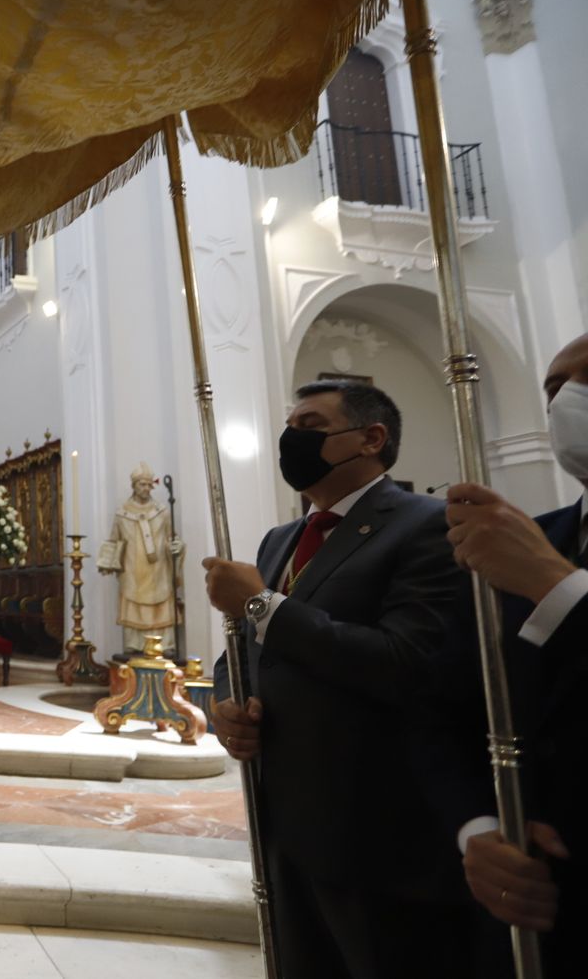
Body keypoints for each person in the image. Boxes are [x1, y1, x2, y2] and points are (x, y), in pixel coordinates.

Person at [205, 380, 474, 979]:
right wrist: (227, 706)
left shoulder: (426, 525)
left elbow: (404, 661)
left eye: (309, 425)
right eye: (289, 426)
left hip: (374, 826)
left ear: (371, 438)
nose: (290, 439)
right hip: (283, 815)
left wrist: (260, 606)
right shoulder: (281, 539)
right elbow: (240, 655)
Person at [428, 330, 588, 972]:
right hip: (517, 911)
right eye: (554, 388)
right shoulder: (531, 537)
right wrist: (479, 827)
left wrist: (559, 588)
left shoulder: (531, 554)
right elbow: (441, 709)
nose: (568, 400)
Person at [97, 461, 185, 656]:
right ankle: (134, 643)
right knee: (132, 602)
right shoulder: (122, 513)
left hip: (159, 570)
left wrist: (177, 547)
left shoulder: (162, 511)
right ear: (134, 486)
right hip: (132, 570)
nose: (146, 488)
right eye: (141, 484)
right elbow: (114, 540)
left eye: (148, 485)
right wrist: (107, 561)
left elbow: (173, 537)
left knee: (161, 600)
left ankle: (165, 643)